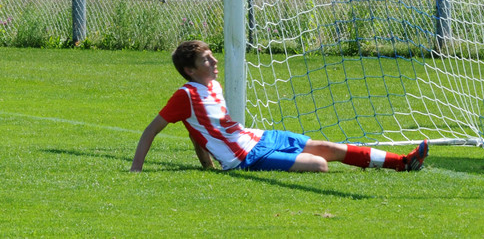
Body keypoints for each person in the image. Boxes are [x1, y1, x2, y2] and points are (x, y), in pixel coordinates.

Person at [131, 40, 428, 173]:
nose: (214, 60)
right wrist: (136, 170)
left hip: (259, 137)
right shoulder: (185, 95)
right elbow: (151, 131)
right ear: (190, 70)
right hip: (245, 158)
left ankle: (403, 162)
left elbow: (198, 131)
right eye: (206, 59)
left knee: (327, 148)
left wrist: (206, 164)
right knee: (320, 165)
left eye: (211, 54)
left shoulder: (213, 86)